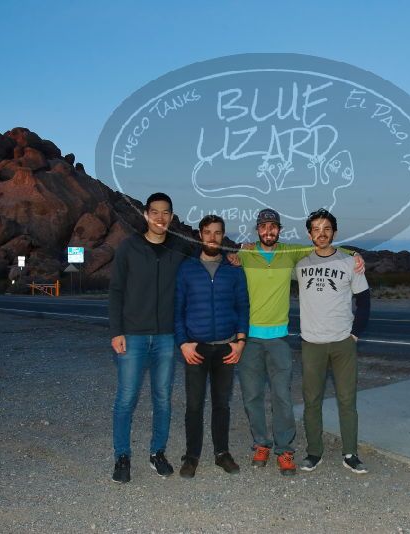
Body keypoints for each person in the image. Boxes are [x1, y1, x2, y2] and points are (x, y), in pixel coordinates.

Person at [237, 208, 364, 477]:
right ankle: (261, 444)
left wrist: (355, 253)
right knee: (252, 396)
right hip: (250, 339)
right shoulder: (245, 255)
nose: (268, 231)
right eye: (263, 227)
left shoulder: (290, 253)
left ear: (280, 230)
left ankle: (286, 450)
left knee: (284, 397)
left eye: (273, 227)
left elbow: (326, 249)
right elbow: (227, 264)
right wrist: (235, 252)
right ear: (257, 230)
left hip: (281, 338)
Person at [108, 192, 195, 483]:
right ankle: (122, 456)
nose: (160, 218)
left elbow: (207, 259)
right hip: (132, 335)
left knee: (163, 398)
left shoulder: (180, 249)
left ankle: (157, 452)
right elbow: (116, 291)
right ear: (146, 215)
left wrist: (232, 256)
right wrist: (116, 331)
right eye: (154, 212)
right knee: (126, 398)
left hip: (166, 337)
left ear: (171, 216)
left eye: (165, 213)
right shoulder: (129, 247)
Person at [295, 209, 371, 474]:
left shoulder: (349, 263)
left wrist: (355, 333)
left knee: (347, 400)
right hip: (312, 343)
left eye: (326, 228)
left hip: (342, 342)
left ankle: (350, 453)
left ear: (334, 233)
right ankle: (314, 452)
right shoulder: (300, 264)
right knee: (312, 399)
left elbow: (364, 300)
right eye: (316, 229)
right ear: (309, 234)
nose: (321, 233)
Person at [174, 214, 249, 478]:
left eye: (218, 233)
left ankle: (221, 453)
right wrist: (183, 343)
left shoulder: (233, 268)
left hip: (227, 348)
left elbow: (242, 307)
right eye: (208, 232)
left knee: (222, 404)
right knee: (194, 405)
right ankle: (191, 455)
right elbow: (178, 310)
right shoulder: (187, 268)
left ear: (222, 235)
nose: (212, 237)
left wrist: (240, 342)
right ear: (200, 235)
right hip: (196, 348)